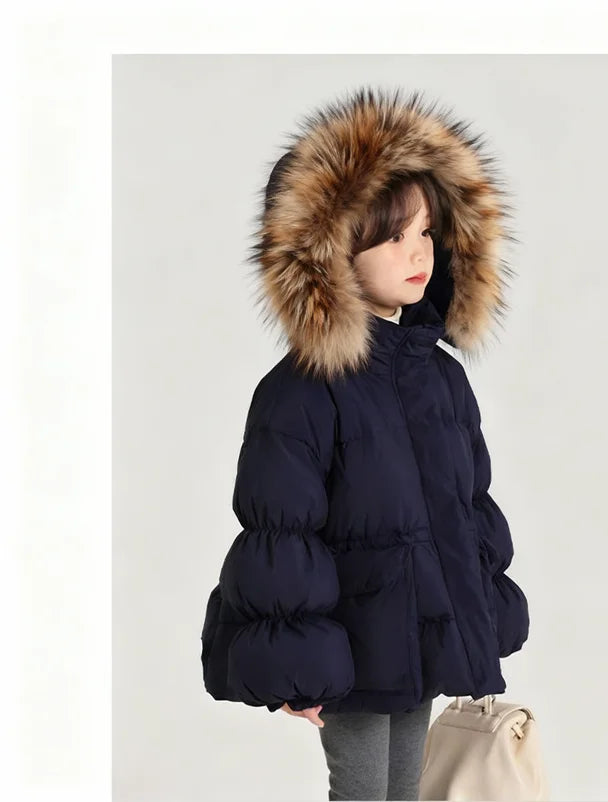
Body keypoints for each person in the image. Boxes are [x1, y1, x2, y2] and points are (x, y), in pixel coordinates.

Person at [200, 86, 530, 801]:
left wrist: (480, 613)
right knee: (362, 791)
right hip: (351, 645)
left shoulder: (440, 378)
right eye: (392, 237)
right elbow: (282, 530)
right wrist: (297, 662)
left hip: (420, 633)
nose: (418, 253)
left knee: (402, 790)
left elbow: (467, 505)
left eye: (426, 234)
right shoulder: (302, 389)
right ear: (330, 251)